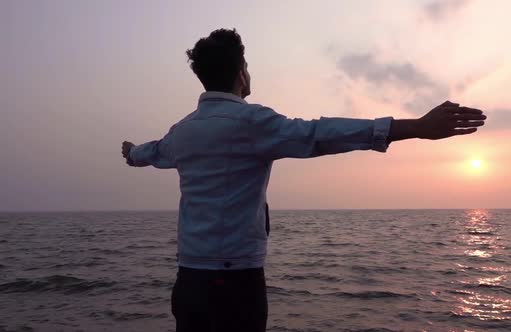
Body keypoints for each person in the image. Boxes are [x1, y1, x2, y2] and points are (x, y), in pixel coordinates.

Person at [120, 28, 486, 332]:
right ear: (240, 73)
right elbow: (319, 134)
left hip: (189, 280)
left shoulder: (182, 132)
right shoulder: (252, 123)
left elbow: (152, 153)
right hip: (236, 280)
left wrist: (132, 152)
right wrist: (416, 128)